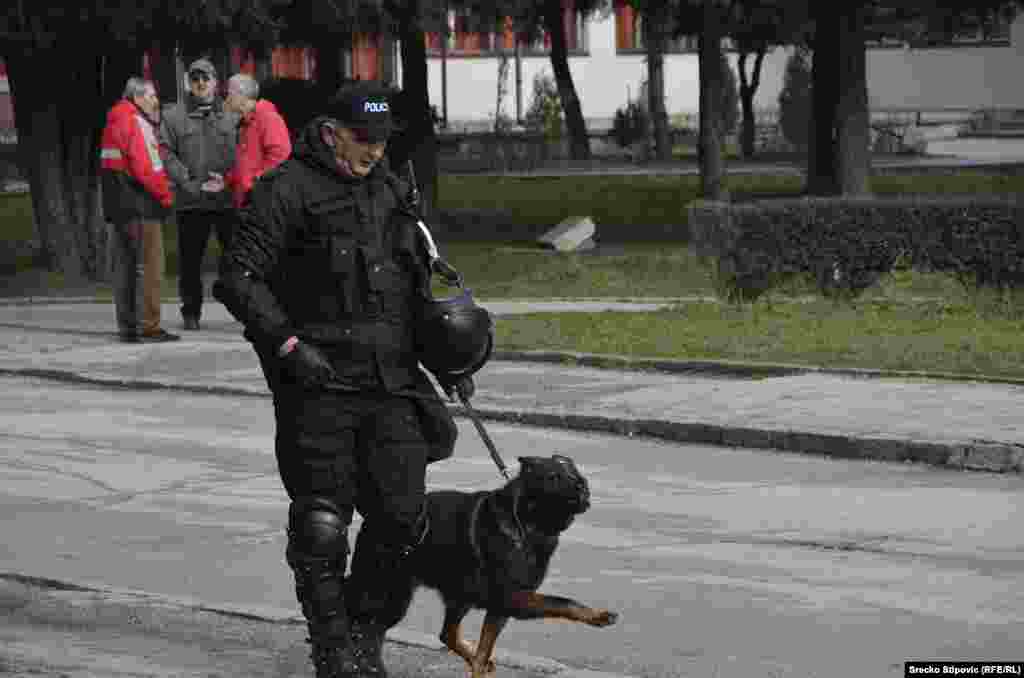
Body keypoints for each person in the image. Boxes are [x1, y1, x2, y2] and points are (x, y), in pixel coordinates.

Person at [214, 81, 489, 678]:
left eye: (382, 141)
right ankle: (334, 648)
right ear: (332, 131)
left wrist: (448, 359)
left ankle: (365, 628)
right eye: (363, 140)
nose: (373, 151)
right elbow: (238, 279)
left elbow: (414, 287)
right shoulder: (285, 192)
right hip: (318, 382)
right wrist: (288, 345)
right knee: (321, 523)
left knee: (403, 517)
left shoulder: (391, 190)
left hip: (392, 381)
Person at [159, 57, 239, 331]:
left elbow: (245, 152)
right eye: (195, 79)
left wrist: (234, 182)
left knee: (236, 260)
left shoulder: (232, 115)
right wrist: (188, 181)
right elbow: (165, 153)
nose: (201, 83)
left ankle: (245, 311)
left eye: (206, 78)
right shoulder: (173, 116)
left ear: (216, 82)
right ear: (188, 83)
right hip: (191, 202)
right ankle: (191, 312)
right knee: (190, 263)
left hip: (227, 201)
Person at [100, 77, 180, 343]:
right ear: (137, 97)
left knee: (124, 268)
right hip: (141, 206)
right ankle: (149, 325)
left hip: (117, 207)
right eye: (151, 96)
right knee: (150, 266)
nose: (155, 101)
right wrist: (166, 197)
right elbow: (149, 169)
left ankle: (128, 326)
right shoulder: (137, 122)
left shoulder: (113, 120)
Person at [207, 73, 292, 209]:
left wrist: (254, 183)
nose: (226, 99)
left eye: (229, 94)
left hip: (261, 205)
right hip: (247, 204)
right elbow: (246, 163)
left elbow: (281, 158)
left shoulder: (268, 118)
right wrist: (226, 181)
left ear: (241, 95)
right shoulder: (247, 122)